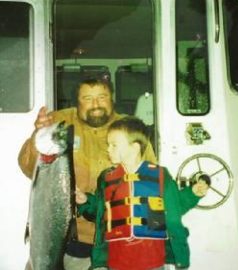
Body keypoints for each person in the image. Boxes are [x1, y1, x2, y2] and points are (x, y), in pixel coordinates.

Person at [18, 78, 156, 270]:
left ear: (112, 99)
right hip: (62, 239)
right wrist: (39, 133)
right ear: (77, 101)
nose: (96, 104)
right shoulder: (59, 121)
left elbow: (150, 182)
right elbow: (27, 166)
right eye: (88, 98)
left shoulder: (130, 128)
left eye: (102, 97)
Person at [76, 116, 209, 270]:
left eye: (114, 145)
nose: (108, 149)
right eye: (108, 145)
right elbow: (99, 214)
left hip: (152, 261)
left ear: (135, 147)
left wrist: (192, 194)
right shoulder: (107, 178)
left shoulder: (160, 176)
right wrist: (85, 201)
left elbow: (176, 207)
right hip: (116, 261)